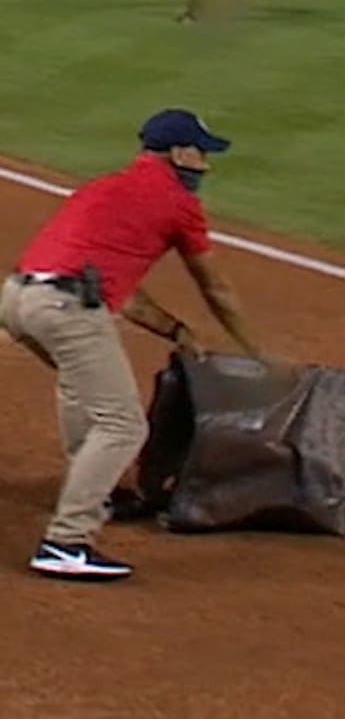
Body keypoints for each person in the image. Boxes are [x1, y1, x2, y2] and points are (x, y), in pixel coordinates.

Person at [0, 108, 266, 582]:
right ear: (181, 152)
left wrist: (175, 329)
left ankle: (91, 492)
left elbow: (112, 285)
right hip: (67, 310)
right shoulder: (178, 203)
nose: (206, 165)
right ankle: (66, 541)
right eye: (202, 153)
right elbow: (215, 288)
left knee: (81, 385)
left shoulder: (103, 186)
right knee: (122, 424)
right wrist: (256, 351)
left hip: (18, 299)